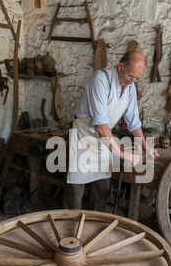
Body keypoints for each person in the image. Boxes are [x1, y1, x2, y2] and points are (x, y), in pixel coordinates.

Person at [65, 50, 159, 211]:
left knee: (102, 186)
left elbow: (134, 122)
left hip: (104, 139)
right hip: (84, 135)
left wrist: (145, 146)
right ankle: (69, 224)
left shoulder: (130, 87)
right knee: (76, 188)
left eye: (136, 78)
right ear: (121, 66)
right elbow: (101, 124)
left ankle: (96, 224)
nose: (132, 82)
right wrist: (121, 154)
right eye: (130, 76)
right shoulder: (101, 79)